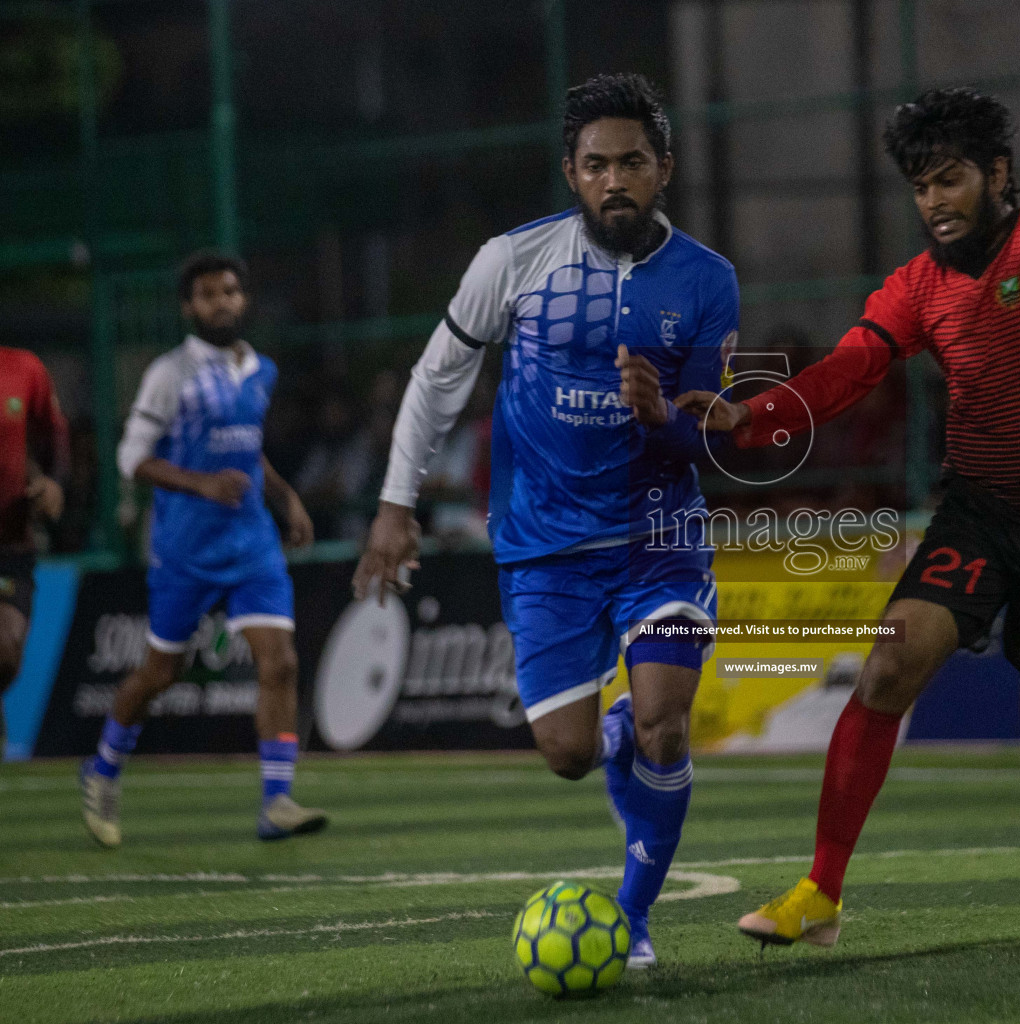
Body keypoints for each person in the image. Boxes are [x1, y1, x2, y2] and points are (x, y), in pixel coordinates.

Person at [678, 87, 1020, 948]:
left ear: (996, 174)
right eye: (920, 185)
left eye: (950, 179)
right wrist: (756, 416)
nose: (932, 201)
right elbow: (849, 369)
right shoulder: (919, 287)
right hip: (980, 511)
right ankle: (820, 893)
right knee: (888, 669)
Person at [351, 73, 739, 970]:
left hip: (658, 538)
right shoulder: (511, 261)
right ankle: (606, 734)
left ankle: (635, 918)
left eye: (632, 162)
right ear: (570, 172)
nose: (615, 180)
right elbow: (438, 377)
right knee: (567, 754)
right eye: (596, 164)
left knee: (665, 728)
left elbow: (712, 431)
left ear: (663, 168)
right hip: (544, 547)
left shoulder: (707, 280)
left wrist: (664, 420)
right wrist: (394, 503)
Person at [79, 250, 321, 848]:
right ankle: (104, 767)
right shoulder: (171, 373)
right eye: (209, 294)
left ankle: (276, 801)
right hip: (185, 548)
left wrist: (285, 498)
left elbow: (247, 452)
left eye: (231, 291)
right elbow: (130, 458)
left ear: (244, 299)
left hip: (251, 544)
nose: (223, 302)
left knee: (281, 662)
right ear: (189, 307)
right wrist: (201, 485)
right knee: (162, 672)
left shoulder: (260, 369)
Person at [0, 347, 69, 750]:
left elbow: (54, 435)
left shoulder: (23, 368)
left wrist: (54, 482)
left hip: (9, 543)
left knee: (6, 652)